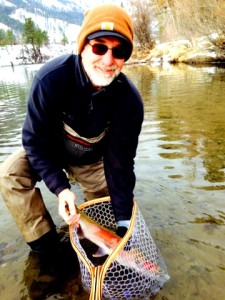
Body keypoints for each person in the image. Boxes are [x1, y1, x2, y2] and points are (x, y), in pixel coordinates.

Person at [0, 3, 144, 264]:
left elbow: (120, 164)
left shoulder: (129, 102)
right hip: (50, 150)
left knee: (110, 214)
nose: (108, 60)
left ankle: (97, 248)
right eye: (99, 47)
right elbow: (33, 141)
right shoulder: (50, 79)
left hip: (91, 160)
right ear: (83, 48)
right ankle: (45, 248)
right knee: (9, 174)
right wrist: (60, 188)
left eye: (119, 50)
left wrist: (124, 226)